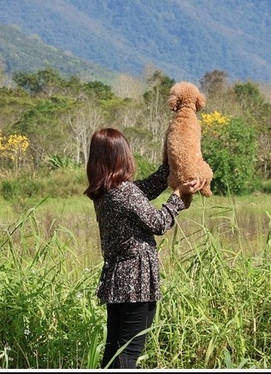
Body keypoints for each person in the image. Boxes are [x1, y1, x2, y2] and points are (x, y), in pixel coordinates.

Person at [84, 127, 202, 369]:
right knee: (129, 351)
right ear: (120, 156)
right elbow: (159, 223)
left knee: (115, 350)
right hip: (135, 282)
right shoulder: (125, 192)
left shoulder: (106, 192)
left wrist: (172, 162)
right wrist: (178, 196)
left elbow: (145, 189)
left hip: (119, 282)